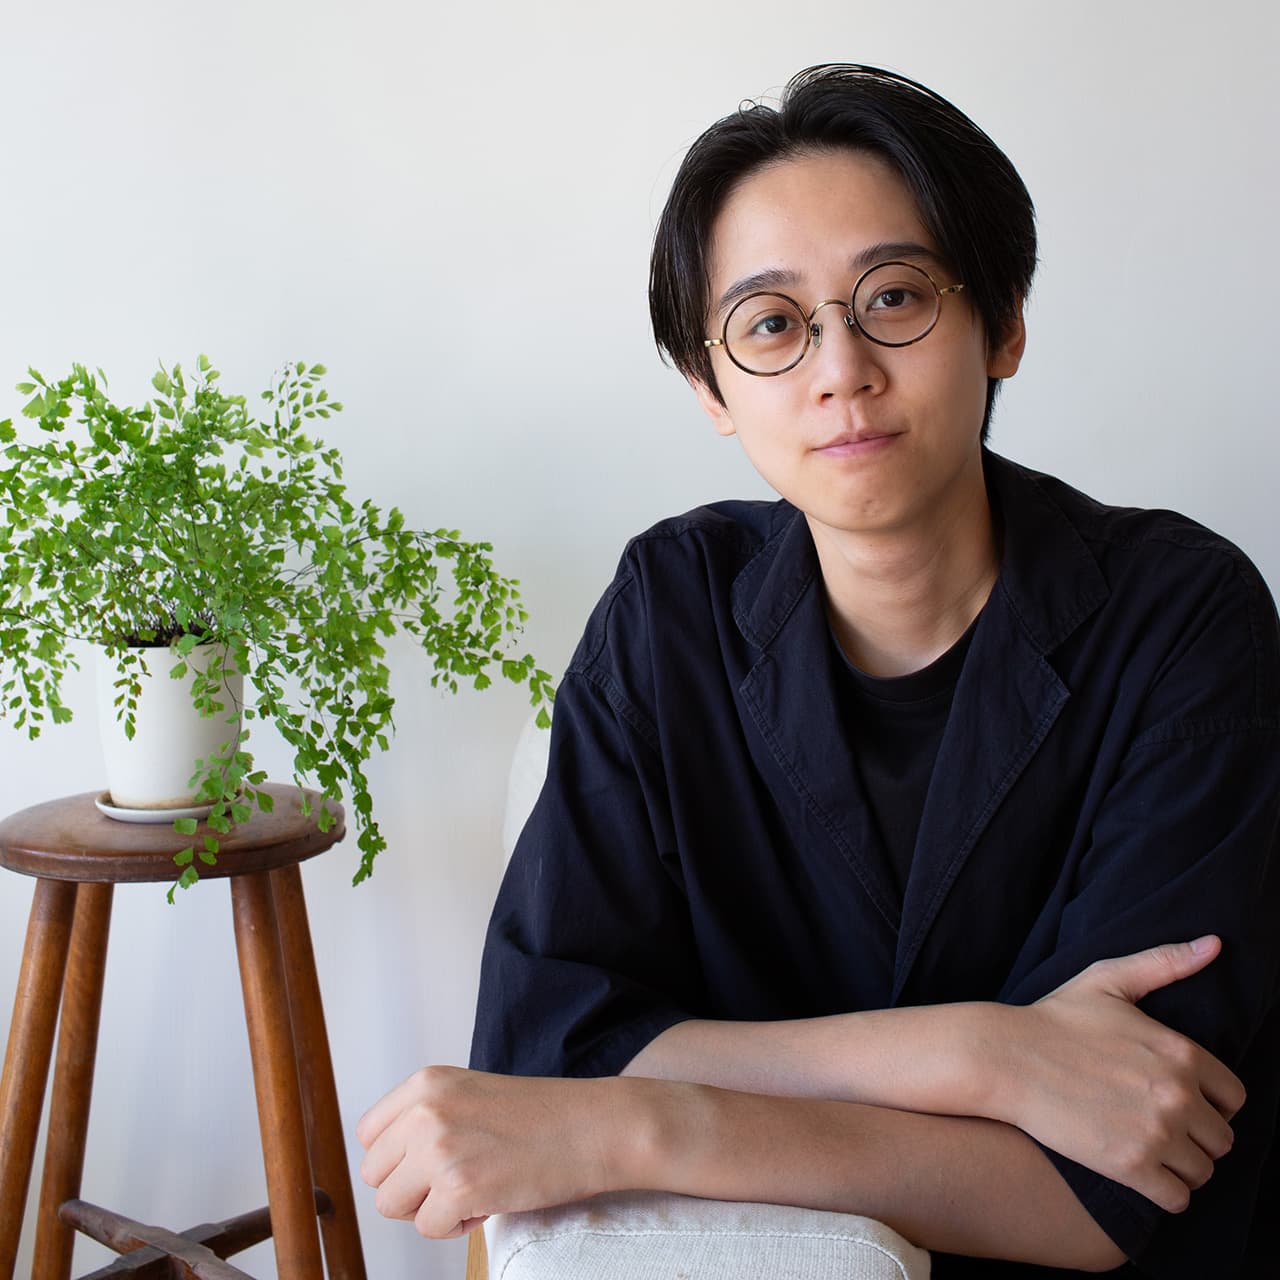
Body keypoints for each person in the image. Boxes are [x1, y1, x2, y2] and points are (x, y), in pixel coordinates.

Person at [356, 65, 1280, 1275]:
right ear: (710, 387)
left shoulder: (1182, 615)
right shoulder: (666, 610)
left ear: (1000, 321)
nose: (839, 366)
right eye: (773, 323)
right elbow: (550, 1040)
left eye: (892, 296)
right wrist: (979, 1053)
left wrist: (649, 1108)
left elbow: (1115, 1178)